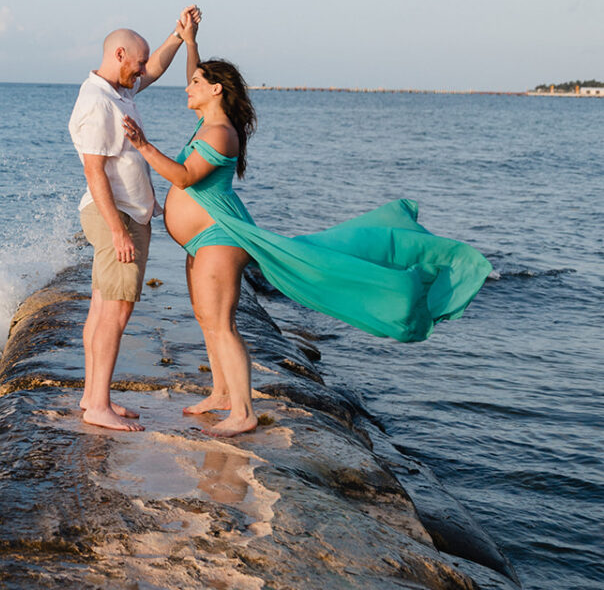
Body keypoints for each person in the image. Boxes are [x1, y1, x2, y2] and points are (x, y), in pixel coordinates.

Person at [122, 39, 493, 438]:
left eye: (195, 81)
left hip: (220, 235)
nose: (187, 86)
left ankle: (243, 411)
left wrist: (142, 145)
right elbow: (199, 79)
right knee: (206, 319)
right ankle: (222, 393)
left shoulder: (219, 133)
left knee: (222, 324)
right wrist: (189, 41)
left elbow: (183, 177)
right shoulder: (207, 123)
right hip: (202, 240)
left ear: (216, 90)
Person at [68, 5, 201, 431]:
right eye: (138, 62)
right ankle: (99, 406)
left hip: (125, 215)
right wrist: (116, 232)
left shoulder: (117, 91)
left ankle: (93, 396)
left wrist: (179, 36)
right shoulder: (96, 102)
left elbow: (157, 68)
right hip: (117, 219)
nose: (143, 70)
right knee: (116, 313)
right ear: (120, 54)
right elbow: (94, 171)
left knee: (101, 308)